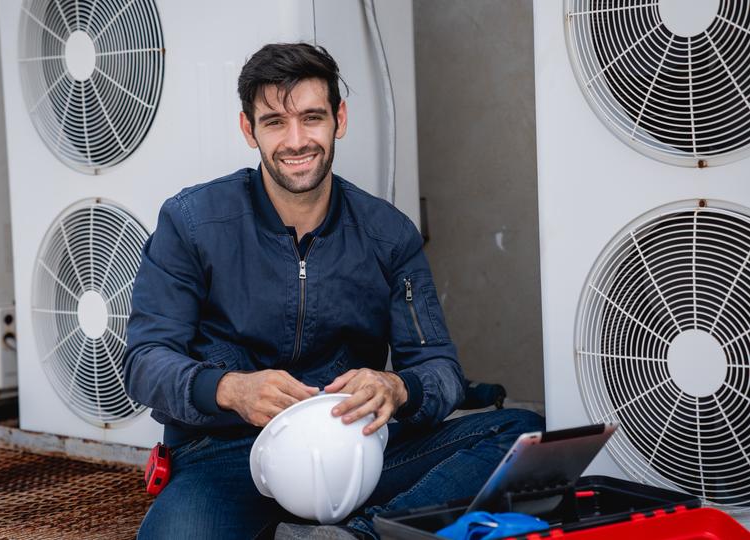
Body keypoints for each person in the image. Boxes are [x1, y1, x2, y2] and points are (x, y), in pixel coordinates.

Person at [123, 42, 543, 540]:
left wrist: (397, 387)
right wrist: (231, 390)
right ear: (248, 129)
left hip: (357, 448)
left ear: (339, 119)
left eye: (312, 117)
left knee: (522, 435)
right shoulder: (191, 222)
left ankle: (352, 535)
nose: (296, 140)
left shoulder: (389, 234)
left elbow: (441, 369)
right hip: (228, 455)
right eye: (275, 121)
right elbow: (144, 361)